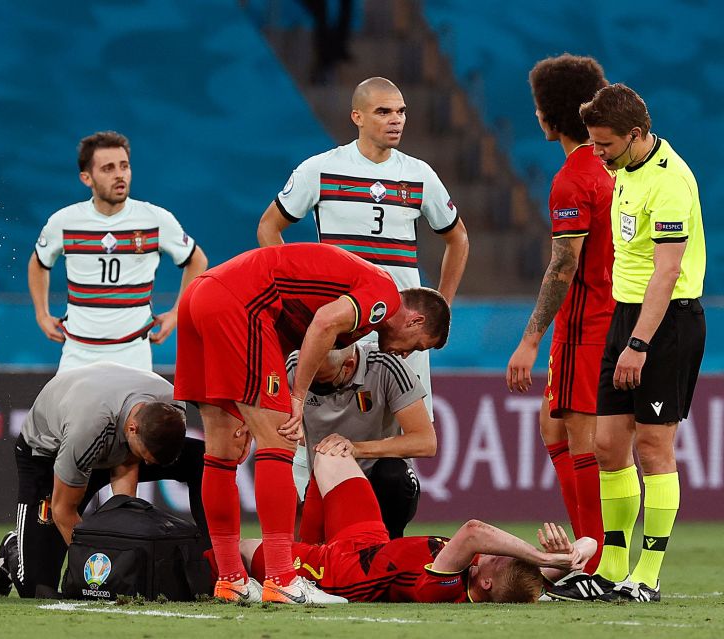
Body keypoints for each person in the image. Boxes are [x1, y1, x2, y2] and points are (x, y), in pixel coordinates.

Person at [174, 242, 451, 604]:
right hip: (239, 303)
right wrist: (297, 397)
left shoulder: (352, 301)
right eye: (419, 344)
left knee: (222, 449)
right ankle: (282, 578)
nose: (408, 353)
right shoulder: (383, 296)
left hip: (201, 295)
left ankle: (231, 578)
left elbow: (285, 338)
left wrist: (247, 411)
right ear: (415, 320)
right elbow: (322, 324)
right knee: (281, 439)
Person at [549, 84, 706, 603]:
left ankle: (648, 574)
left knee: (654, 447)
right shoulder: (624, 171)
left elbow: (667, 273)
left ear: (636, 135)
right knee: (608, 446)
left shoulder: (671, 181)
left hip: (665, 323)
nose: (597, 154)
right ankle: (613, 568)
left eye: (605, 145)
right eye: (593, 144)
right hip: (626, 316)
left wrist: (639, 344)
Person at [257, 76, 470, 422]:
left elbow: (458, 238)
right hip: (341, 324)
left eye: (401, 111)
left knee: (404, 436)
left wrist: (440, 306)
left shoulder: (419, 175)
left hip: (401, 327)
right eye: (383, 112)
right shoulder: (320, 169)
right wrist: (291, 300)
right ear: (357, 117)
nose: (396, 119)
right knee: (316, 428)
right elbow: (269, 226)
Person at [229, 454, 595, 603]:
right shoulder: (509, 578)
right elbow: (592, 543)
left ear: (485, 583)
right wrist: (572, 555)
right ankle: (306, 539)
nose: (500, 553)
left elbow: (472, 530)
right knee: (329, 453)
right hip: (370, 538)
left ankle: (297, 571)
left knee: (241, 549)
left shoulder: (445, 586)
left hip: (340, 569)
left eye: (498, 561)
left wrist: (541, 555)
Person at [506, 54, 611, 573]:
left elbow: (562, 265)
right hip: (618, 320)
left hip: (585, 325)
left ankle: (590, 562)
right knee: (554, 429)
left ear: (549, 117)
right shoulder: (618, 171)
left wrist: (530, 339)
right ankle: (590, 552)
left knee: (579, 437)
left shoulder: (575, 179)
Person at [0, 362, 197, 599]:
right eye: (146, 456)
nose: (149, 465)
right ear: (133, 429)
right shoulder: (86, 429)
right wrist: (98, 573)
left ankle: (212, 561)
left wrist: (120, 546)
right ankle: (13, 546)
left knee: (199, 457)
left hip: (106, 436)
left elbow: (127, 463)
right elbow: (64, 510)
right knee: (35, 587)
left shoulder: (174, 408)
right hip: (48, 456)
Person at [28, 130, 207, 372]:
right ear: (86, 178)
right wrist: (41, 314)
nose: (119, 175)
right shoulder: (64, 221)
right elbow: (38, 262)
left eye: (124, 166)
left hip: (134, 354)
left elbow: (197, 260)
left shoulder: (155, 219)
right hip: (78, 354)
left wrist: (177, 313)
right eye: (108, 168)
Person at [288, 342, 436, 542]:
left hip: (380, 486)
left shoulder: (386, 366)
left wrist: (354, 448)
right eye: (310, 381)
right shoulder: (295, 366)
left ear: (348, 366)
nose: (314, 389)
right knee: (317, 556)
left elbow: (425, 441)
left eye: (323, 383)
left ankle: (389, 547)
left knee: (393, 473)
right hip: (326, 483)